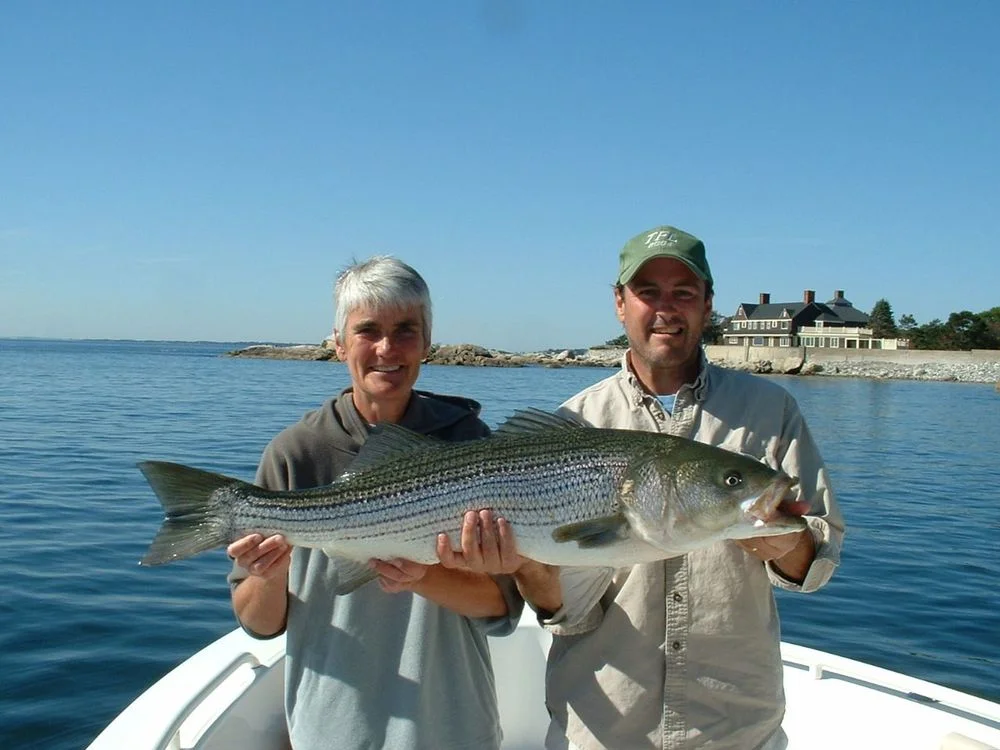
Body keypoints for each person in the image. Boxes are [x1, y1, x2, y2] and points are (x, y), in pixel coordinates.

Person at [467, 224, 845, 750]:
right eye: (648, 292)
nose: (666, 308)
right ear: (620, 304)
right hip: (604, 730)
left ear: (707, 304)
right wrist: (528, 567)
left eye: (683, 293)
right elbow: (568, 614)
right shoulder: (574, 422)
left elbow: (820, 555)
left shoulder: (771, 410)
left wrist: (790, 546)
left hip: (735, 731)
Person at [226, 255, 522, 750]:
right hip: (330, 732)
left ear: (427, 342)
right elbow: (258, 623)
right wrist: (268, 574)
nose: (388, 348)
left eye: (406, 330)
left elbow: (502, 609)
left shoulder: (471, 442)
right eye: (368, 330)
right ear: (339, 343)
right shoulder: (295, 453)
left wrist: (422, 576)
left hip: (455, 728)